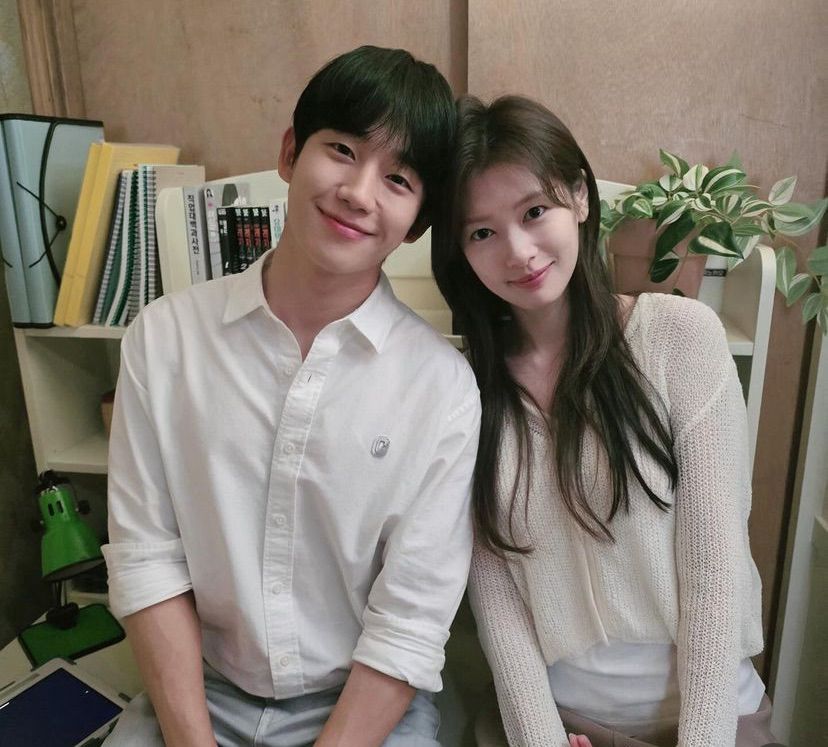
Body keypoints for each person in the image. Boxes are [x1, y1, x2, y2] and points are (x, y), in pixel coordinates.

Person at [102, 46, 481, 747]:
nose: (358, 193)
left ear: (418, 220)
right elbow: (146, 558)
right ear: (289, 153)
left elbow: (411, 618)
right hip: (199, 692)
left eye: (397, 179)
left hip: (361, 704)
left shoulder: (441, 388)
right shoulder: (163, 340)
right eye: (342, 150)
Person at [432, 95, 776, 747]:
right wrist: (539, 740)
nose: (518, 251)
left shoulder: (680, 338)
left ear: (580, 197)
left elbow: (715, 565)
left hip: (712, 719)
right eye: (482, 232)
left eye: (534, 212)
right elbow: (494, 592)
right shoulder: (462, 386)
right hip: (558, 722)